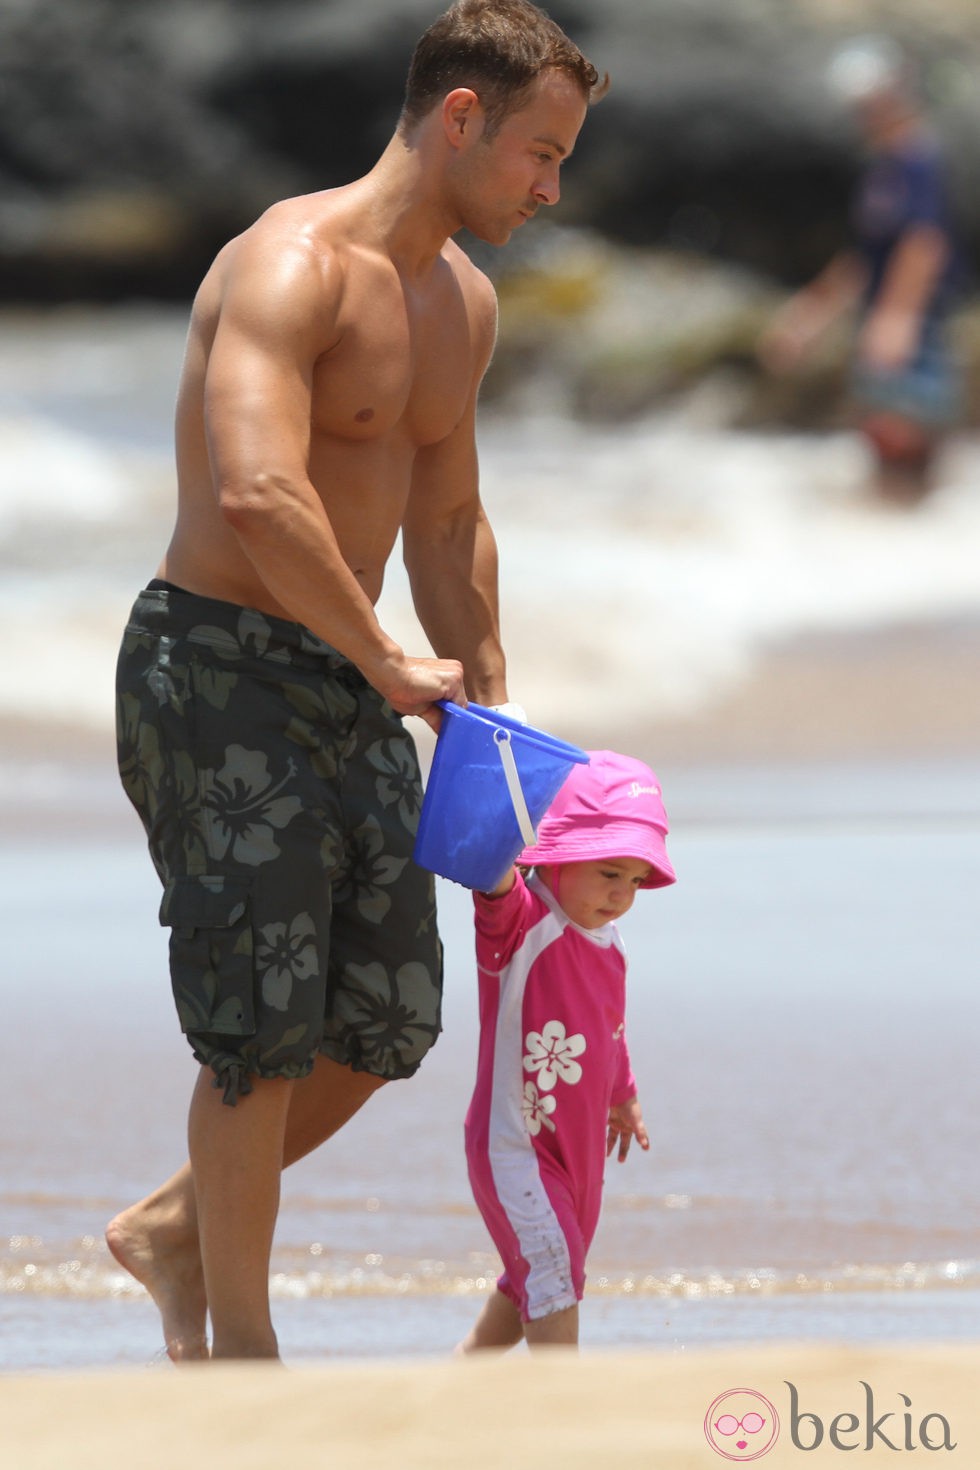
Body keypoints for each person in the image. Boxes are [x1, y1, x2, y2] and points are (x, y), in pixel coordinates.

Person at [106, 0, 608, 1363]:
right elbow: (260, 492)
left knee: (388, 1014)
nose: (552, 188)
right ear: (462, 118)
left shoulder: (466, 304)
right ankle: (243, 1354)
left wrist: (487, 696)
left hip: (360, 680)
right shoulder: (289, 265)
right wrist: (386, 654)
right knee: (255, 1026)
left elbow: (447, 521)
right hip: (215, 665)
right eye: (540, 154)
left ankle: (168, 1229)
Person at [458, 751, 676, 1351]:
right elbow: (494, 872)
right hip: (515, 1146)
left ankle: (455, 1385)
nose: (622, 894)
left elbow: (610, 1028)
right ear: (556, 856)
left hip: (578, 1151)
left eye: (635, 880)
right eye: (608, 872)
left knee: (553, 1267)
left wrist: (623, 1094)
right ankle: (561, 1403)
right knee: (554, 1274)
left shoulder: (610, 943)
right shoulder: (522, 924)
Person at [759, 36, 963, 502]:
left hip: (915, 322)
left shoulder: (918, 159)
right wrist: (812, 314)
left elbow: (924, 242)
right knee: (879, 439)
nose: (864, 114)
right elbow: (865, 257)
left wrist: (898, 317)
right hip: (882, 315)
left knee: (904, 437)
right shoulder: (881, 167)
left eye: (871, 102)